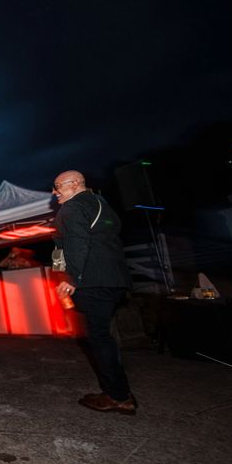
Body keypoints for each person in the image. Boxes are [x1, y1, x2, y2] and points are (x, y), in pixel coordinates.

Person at [52, 170, 136, 415]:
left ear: (75, 184)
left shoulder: (72, 208)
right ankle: (118, 391)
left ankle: (118, 396)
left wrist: (71, 278)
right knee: (102, 335)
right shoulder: (102, 203)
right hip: (115, 279)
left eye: (58, 187)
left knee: (99, 337)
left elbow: (78, 243)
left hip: (93, 280)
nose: (54, 192)